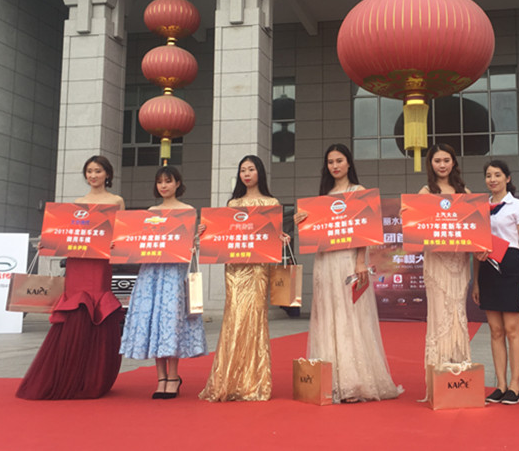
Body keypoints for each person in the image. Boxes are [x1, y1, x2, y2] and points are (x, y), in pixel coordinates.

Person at [294, 143, 401, 403]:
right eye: (330, 162)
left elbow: (365, 230)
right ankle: (329, 380)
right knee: (328, 315)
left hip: (348, 261)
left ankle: (353, 381)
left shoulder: (358, 192)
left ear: (349, 163)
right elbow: (316, 233)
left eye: (339, 160)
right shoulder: (324, 196)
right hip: (325, 262)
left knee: (350, 316)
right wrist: (303, 222)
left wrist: (360, 261)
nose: (335, 166)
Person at [17, 155, 125, 400]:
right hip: (78, 262)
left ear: (107, 174)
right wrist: (48, 242)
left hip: (99, 262)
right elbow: (67, 232)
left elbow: (120, 233)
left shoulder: (116, 201)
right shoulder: (78, 203)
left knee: (97, 308)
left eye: (98, 171)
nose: (93, 175)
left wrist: (117, 243)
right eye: (89, 171)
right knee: (76, 308)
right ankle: (68, 374)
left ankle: (92, 376)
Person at [199, 155, 289, 402]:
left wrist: (281, 238)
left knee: (255, 318)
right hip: (235, 269)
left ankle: (253, 382)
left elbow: (272, 236)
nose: (247, 174)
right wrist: (205, 232)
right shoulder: (233, 203)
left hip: (258, 269)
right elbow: (224, 233)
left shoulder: (271, 203)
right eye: (242, 170)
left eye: (251, 169)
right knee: (234, 318)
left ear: (260, 172)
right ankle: (228, 380)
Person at [119, 166, 207, 399]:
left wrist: (198, 237)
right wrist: (121, 244)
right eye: (160, 182)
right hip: (151, 271)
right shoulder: (150, 212)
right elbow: (139, 241)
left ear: (178, 183)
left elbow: (191, 245)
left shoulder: (187, 211)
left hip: (174, 272)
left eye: (168, 181)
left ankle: (174, 376)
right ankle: (161, 378)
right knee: (154, 320)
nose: (164, 186)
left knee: (171, 321)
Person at [471, 160, 519, 405]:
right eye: (488, 175)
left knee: (512, 330)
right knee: (495, 331)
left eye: (497, 175)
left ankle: (515, 386)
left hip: (511, 267)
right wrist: (476, 282)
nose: (492, 179)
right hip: (487, 269)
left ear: (507, 178)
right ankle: (500, 384)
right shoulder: (480, 208)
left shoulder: (518, 206)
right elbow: (476, 247)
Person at [418, 144, 473, 391]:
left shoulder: (464, 192)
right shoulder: (425, 192)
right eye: (437, 160)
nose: (442, 165)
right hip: (436, 262)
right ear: (431, 164)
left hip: (459, 261)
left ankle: (459, 373)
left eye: (446, 160)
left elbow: (475, 227)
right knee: (440, 313)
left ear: (454, 163)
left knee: (458, 313)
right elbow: (415, 224)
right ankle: (438, 376)